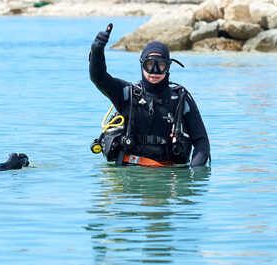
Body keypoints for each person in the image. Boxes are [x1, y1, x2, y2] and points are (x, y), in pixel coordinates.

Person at [89, 24, 210, 167]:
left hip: (167, 175)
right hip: (129, 175)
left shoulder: (180, 99)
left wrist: (193, 176)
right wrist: (97, 50)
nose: (154, 71)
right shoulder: (126, 94)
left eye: (161, 65)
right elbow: (98, 77)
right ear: (142, 65)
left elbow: (202, 142)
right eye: (149, 64)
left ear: (168, 67)